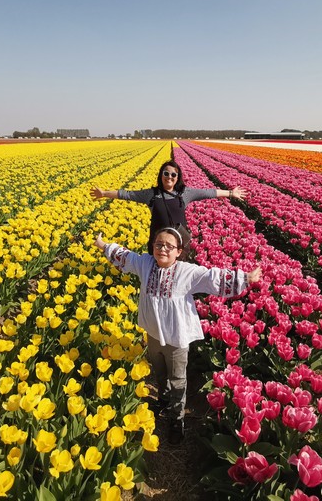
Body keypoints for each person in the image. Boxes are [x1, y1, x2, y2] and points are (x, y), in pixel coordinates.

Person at [94, 227, 262, 444]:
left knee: (178, 378)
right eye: (158, 244)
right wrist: (103, 245)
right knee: (160, 372)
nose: (162, 249)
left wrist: (244, 278)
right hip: (153, 334)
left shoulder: (187, 272)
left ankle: (177, 418)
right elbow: (126, 256)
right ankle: (163, 399)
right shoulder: (145, 264)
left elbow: (213, 277)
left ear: (179, 251)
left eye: (169, 246)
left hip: (176, 338)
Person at [90, 160, 247, 254]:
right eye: (166, 173)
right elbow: (126, 194)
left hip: (179, 245)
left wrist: (231, 193)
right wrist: (104, 193)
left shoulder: (184, 193)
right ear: (161, 175)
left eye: (173, 174)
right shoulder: (151, 194)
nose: (169, 177)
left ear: (177, 178)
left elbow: (208, 192)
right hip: (158, 245)